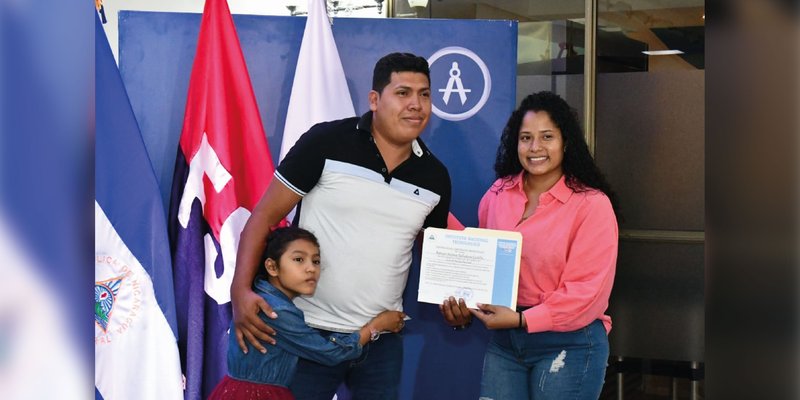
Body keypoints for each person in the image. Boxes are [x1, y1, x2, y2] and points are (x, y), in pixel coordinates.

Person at [230, 52, 463, 400]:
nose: (416, 104)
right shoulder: (326, 142)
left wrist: (458, 302)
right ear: (374, 99)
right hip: (307, 333)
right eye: (403, 93)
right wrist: (239, 292)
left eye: (425, 94)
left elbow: (435, 256)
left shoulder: (435, 176)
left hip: (383, 342)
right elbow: (263, 217)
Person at [465, 91, 619, 400]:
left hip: (569, 344)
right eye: (526, 138)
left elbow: (586, 293)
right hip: (505, 343)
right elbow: (480, 259)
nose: (535, 148)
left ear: (566, 142)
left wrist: (524, 319)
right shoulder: (497, 193)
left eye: (547, 136)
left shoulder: (591, 205)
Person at [210, 227, 405, 399]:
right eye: (298, 259)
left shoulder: (261, 296)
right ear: (272, 266)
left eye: (316, 261)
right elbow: (331, 352)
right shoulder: (276, 311)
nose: (311, 268)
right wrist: (376, 326)